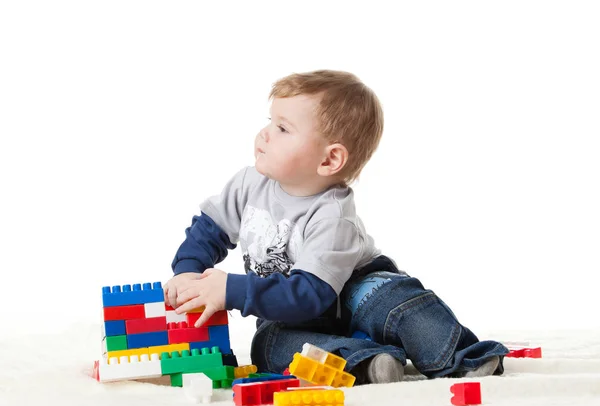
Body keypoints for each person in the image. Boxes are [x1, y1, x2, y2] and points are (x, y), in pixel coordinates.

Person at [163, 70, 508, 384]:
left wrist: (233, 290)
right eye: (270, 121)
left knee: (398, 304)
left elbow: (311, 294)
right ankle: (366, 362)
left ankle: (460, 357)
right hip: (293, 313)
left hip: (354, 291)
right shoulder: (248, 184)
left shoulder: (333, 214)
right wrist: (187, 271)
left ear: (329, 160)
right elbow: (208, 230)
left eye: (283, 128)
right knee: (268, 346)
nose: (265, 134)